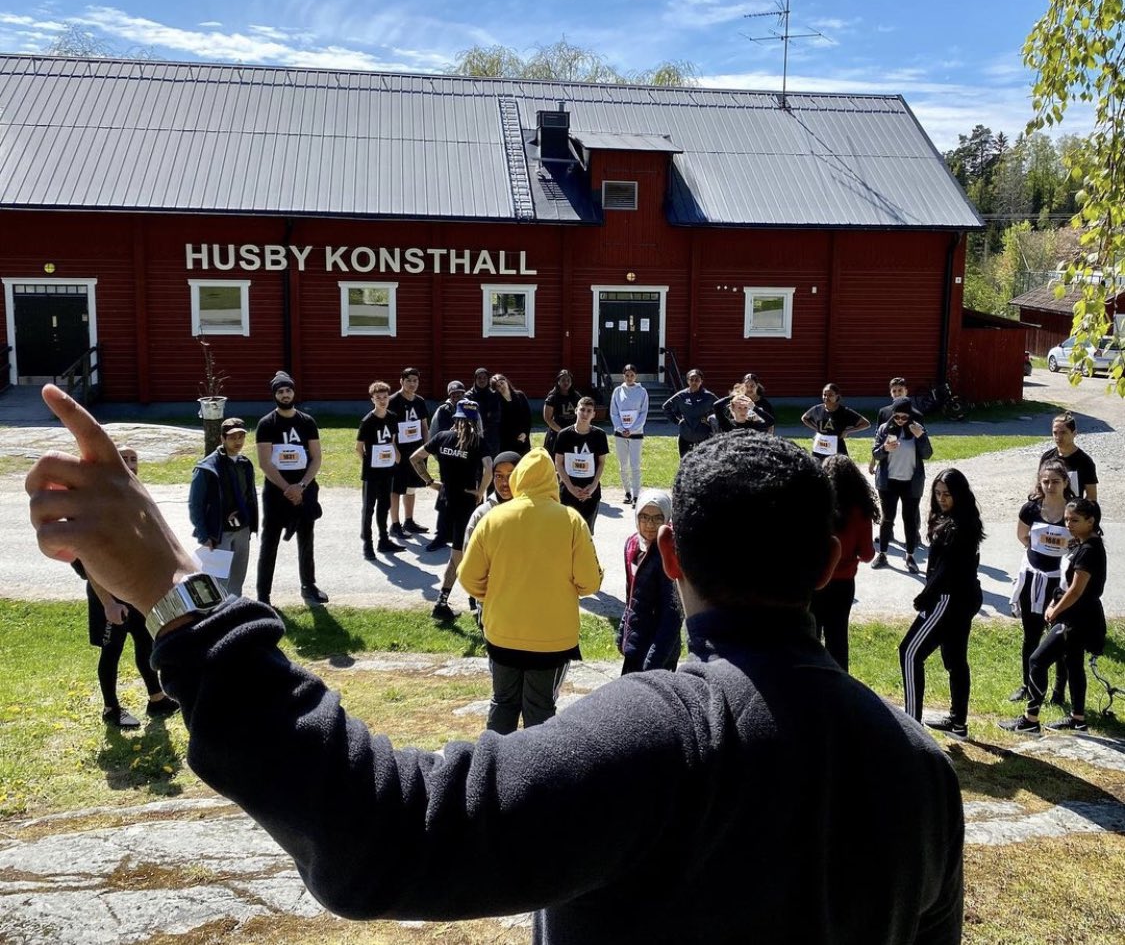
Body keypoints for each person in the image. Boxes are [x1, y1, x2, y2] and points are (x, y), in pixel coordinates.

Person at [28, 390, 965, 944]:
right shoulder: (919, 769)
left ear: (669, 557)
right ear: (836, 559)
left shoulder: (663, 737)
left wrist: (175, 585)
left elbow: (391, 836)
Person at [458, 448, 602, 732]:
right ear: (553, 480)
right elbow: (589, 584)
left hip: (502, 633)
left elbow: (468, 579)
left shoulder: (493, 518)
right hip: (553, 639)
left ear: (518, 478)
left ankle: (494, 768)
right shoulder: (571, 521)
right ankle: (540, 772)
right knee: (541, 707)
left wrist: (498, 596)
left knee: (503, 702)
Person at [76, 444, 179, 729]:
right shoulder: (98, 502)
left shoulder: (137, 496)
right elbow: (88, 557)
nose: (130, 463)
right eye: (124, 459)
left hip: (136, 591)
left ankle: (157, 698)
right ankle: (111, 708)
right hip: (109, 593)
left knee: (145, 643)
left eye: (134, 458)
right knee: (112, 650)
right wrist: (108, 602)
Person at [1001, 498, 1107, 735]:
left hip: (1076, 619)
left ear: (1091, 521)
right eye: (1067, 519)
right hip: (1076, 616)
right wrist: (1054, 599)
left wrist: (1054, 609)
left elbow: (1077, 590)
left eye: (1075, 520)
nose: (1068, 524)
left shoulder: (1089, 550)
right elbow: (1067, 583)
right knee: (1074, 664)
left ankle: (1030, 720)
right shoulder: (1081, 543)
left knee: (1037, 661)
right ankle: (1078, 719)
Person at [900, 468, 986, 740]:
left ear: (959, 494)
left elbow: (947, 569)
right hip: (964, 596)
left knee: (909, 653)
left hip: (948, 598)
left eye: (947, 494)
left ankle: (912, 723)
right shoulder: (957, 520)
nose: (941, 499)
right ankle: (958, 724)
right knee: (955, 660)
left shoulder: (959, 526)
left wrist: (925, 596)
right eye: (937, 494)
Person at [410, 399, 492, 621]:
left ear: (455, 418)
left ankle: (445, 602)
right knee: (466, 554)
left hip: (446, 502)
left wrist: (430, 482)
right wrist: (480, 491)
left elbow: (415, 458)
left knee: (458, 553)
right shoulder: (477, 441)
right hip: (467, 503)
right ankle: (468, 601)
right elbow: (489, 469)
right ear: (475, 420)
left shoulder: (442, 437)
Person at [255, 372, 325, 605]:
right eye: (280, 391)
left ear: (294, 392)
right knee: (270, 541)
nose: (285, 395)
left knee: (307, 538)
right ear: (275, 395)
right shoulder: (266, 424)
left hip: (304, 489)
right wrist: (288, 488)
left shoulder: (307, 422)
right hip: (277, 492)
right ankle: (264, 595)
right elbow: (265, 462)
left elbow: (316, 457)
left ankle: (309, 585)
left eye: (288, 390)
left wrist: (302, 486)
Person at [1008, 459, 1075, 704]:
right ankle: (1028, 684)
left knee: (1059, 639)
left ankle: (1058, 692)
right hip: (1033, 580)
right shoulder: (1031, 509)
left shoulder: (1073, 511)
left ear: (1066, 482)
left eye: (1055, 481)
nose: (1050, 486)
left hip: (1061, 584)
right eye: (1045, 481)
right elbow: (1022, 535)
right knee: (1031, 635)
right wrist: (1037, 551)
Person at [811, 455, 879, 672]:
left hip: (816, 582)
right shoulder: (861, 511)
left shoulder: (818, 507)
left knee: (811, 639)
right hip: (844, 584)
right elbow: (868, 555)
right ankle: (840, 694)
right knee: (838, 640)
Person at [187, 417, 258, 597]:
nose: (238, 441)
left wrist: (250, 524)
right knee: (217, 580)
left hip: (242, 529)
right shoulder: (207, 468)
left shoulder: (245, 464)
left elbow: (249, 496)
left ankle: (234, 612)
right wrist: (204, 535)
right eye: (233, 437)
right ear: (222, 439)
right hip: (219, 533)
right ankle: (216, 616)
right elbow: (195, 505)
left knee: (237, 577)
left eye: (241, 436)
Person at [618, 489, 682, 674]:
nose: (649, 524)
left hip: (659, 651)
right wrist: (623, 632)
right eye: (644, 517)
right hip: (635, 644)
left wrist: (654, 659)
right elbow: (631, 595)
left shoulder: (669, 553)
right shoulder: (632, 545)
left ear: (667, 518)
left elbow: (673, 614)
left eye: (657, 518)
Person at [871, 403, 933, 575]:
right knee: (887, 519)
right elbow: (875, 453)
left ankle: (910, 556)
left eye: (904, 417)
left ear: (910, 417)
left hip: (911, 482)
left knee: (910, 520)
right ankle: (882, 554)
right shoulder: (885, 428)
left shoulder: (917, 429)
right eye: (896, 416)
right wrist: (884, 448)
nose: (900, 420)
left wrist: (921, 437)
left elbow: (928, 454)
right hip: (888, 482)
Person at [462, 450, 521, 625]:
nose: (505, 483)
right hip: (492, 601)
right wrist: (483, 595)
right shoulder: (482, 514)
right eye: (499, 476)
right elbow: (469, 559)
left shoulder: (532, 512)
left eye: (511, 476)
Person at [356, 382, 405, 558]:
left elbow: (392, 441)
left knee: (384, 505)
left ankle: (383, 540)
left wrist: (397, 457)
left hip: (387, 468)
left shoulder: (392, 417)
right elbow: (358, 448)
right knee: (369, 507)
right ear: (372, 400)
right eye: (378, 398)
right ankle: (367, 544)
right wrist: (368, 463)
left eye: (385, 397)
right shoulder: (367, 421)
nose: (382, 401)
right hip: (372, 472)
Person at [426, 380, 472, 553]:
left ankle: (463, 536)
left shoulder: (471, 408)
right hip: (450, 461)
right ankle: (441, 535)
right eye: (454, 395)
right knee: (446, 499)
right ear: (449, 396)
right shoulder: (443, 411)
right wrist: (442, 458)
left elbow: (478, 430)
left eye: (460, 393)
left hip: (467, 461)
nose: (457, 397)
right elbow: (436, 436)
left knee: (467, 499)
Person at [553, 396, 609, 531]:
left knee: (586, 533)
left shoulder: (599, 435)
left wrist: (593, 485)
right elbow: (558, 463)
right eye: (582, 410)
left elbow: (601, 463)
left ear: (594, 414)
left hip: (590, 491)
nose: (585, 414)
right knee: (567, 531)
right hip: (568, 490)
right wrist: (571, 487)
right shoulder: (564, 435)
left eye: (589, 411)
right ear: (576, 410)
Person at [388, 367, 432, 540]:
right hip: (399, 451)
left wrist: (426, 447)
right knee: (396, 488)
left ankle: (409, 521)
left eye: (415, 381)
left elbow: (424, 426)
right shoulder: (393, 401)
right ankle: (395, 524)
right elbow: (388, 430)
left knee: (412, 486)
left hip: (416, 450)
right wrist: (395, 451)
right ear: (401, 381)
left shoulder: (420, 401)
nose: (412, 384)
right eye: (409, 380)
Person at [609, 363, 648, 505]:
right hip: (620, 433)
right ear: (623, 376)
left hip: (636, 433)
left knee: (635, 465)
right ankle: (627, 492)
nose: (629, 377)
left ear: (635, 376)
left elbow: (643, 413)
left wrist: (632, 429)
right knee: (623, 464)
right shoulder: (617, 391)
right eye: (627, 375)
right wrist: (620, 428)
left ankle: (636, 494)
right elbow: (614, 412)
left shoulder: (642, 391)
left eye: (632, 375)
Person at [801, 383, 870, 462]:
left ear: (837, 396)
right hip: (820, 447)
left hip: (837, 448)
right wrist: (816, 428)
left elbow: (866, 423)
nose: (826, 397)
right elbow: (804, 418)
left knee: (839, 470)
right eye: (824, 395)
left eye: (830, 395)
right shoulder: (817, 409)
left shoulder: (844, 411)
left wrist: (847, 431)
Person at [1039, 412, 1098, 500]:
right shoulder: (1047, 457)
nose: (1058, 437)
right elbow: (1040, 487)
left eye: (1063, 433)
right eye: (1055, 433)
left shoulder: (1085, 461)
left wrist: (1079, 511)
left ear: (1074, 433)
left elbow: (1092, 496)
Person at [871, 377, 922, 474]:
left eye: (900, 390)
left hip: (909, 460)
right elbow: (877, 439)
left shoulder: (916, 415)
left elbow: (921, 439)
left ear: (906, 391)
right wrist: (873, 461)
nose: (897, 394)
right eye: (894, 391)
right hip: (888, 458)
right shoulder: (884, 412)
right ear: (890, 393)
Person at [662, 369, 717, 457]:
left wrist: (712, 421)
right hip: (685, 435)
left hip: (703, 435)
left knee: (704, 463)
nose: (694, 382)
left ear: (701, 381)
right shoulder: (681, 396)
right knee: (685, 463)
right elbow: (666, 407)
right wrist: (677, 421)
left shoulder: (708, 396)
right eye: (691, 379)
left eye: (697, 380)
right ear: (687, 381)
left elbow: (720, 407)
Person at [542, 368, 580, 457]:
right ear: (558, 382)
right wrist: (561, 431)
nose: (566, 383)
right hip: (556, 433)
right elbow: (547, 418)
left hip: (573, 433)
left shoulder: (576, 396)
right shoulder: (552, 397)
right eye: (563, 380)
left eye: (568, 380)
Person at [492, 373, 531, 456]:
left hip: (522, 437)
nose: (501, 386)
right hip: (505, 440)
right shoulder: (496, 402)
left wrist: (525, 433)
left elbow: (528, 417)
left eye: (502, 383)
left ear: (506, 382)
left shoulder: (520, 396)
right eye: (498, 386)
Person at [467, 366, 502, 458]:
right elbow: (468, 417)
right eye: (479, 378)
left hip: (491, 435)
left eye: (484, 378)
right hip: (474, 434)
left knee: (492, 460)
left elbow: (497, 415)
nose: (482, 380)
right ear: (475, 379)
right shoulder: (468, 396)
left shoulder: (494, 395)